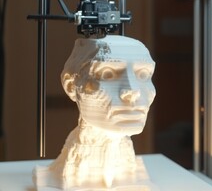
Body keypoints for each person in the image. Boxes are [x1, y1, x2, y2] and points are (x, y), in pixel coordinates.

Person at [33, 35, 157, 190]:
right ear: (71, 86)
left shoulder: (131, 169)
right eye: (107, 74)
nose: (132, 91)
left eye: (143, 74)